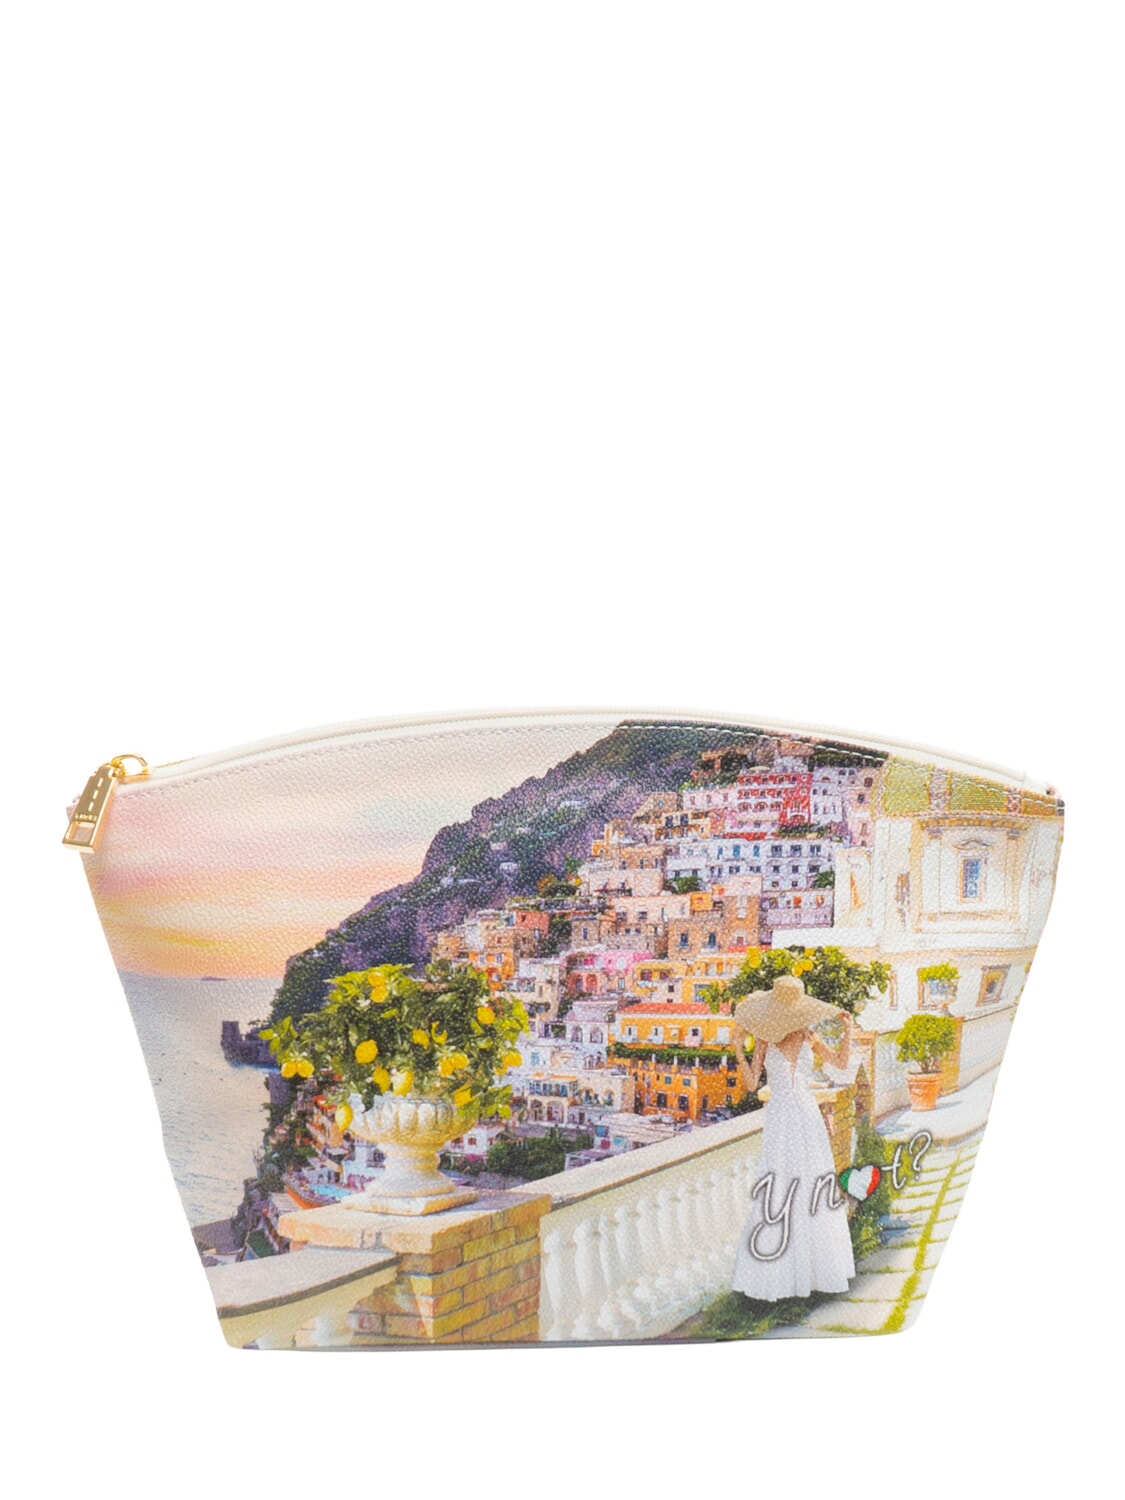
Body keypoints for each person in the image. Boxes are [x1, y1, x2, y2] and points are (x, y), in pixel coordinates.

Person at [730, 973, 856, 1300]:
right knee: (780, 1181)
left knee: (811, 1180)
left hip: (804, 1114)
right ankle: (784, 1274)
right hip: (781, 1116)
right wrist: (738, 1049)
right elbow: (751, 1084)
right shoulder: (764, 1040)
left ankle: (814, 1271)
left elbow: (842, 1064)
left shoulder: (809, 1036)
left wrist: (847, 1030)